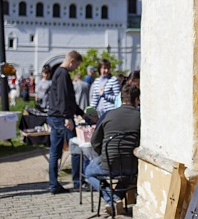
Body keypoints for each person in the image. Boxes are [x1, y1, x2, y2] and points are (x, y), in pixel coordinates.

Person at [84, 83, 141, 213]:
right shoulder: (141, 117)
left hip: (109, 163)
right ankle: (116, 201)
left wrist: (103, 155)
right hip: (132, 165)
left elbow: (95, 141)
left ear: (121, 99)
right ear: (136, 100)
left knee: (88, 172)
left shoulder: (108, 115)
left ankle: (113, 200)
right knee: (126, 175)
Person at [46, 50, 87, 194]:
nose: (76, 68)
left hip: (56, 117)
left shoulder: (59, 73)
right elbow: (64, 98)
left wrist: (82, 114)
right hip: (61, 118)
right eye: (76, 65)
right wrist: (67, 117)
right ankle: (77, 181)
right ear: (72, 61)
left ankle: (53, 184)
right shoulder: (63, 74)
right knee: (76, 148)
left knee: (55, 152)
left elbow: (69, 100)